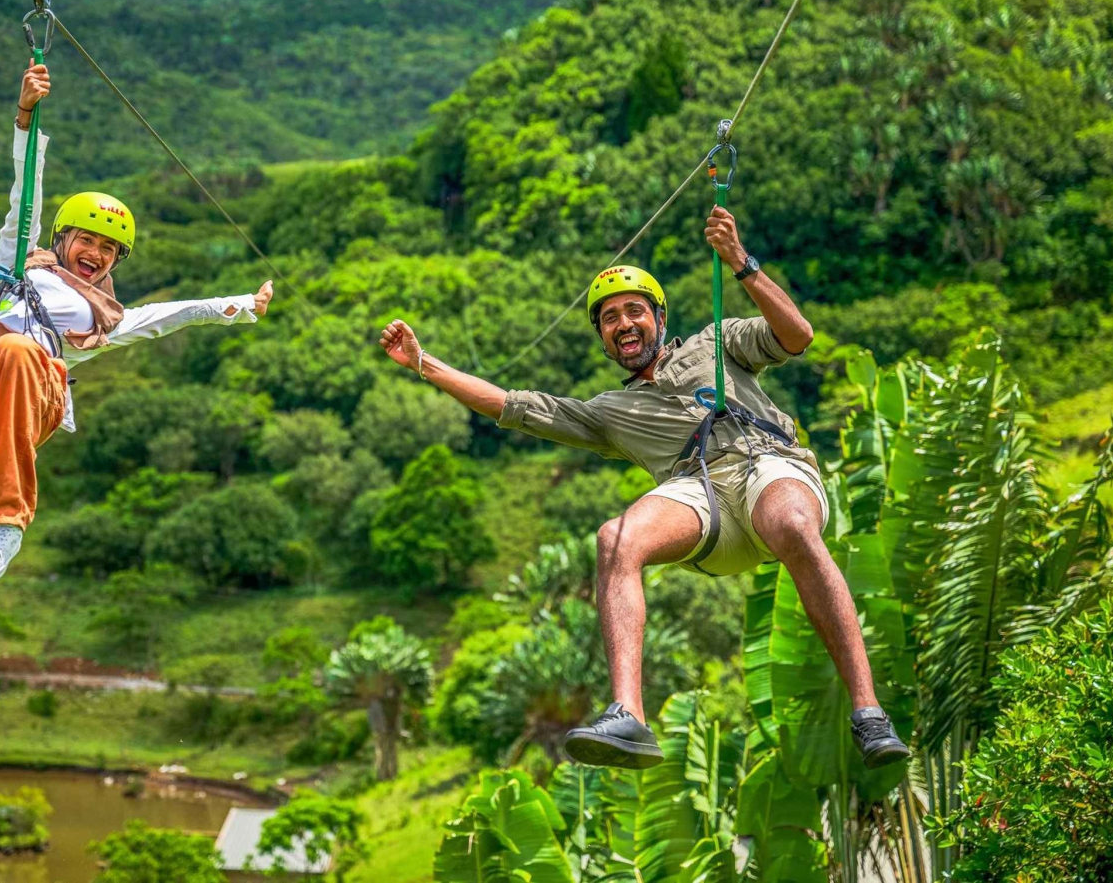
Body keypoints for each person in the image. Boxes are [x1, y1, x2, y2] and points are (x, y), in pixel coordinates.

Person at [377, 205, 910, 770]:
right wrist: (422, 364)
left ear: (659, 316)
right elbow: (514, 407)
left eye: (634, 311)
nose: (623, 323)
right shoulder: (610, 412)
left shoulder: (717, 342)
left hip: (768, 464)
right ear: (604, 339)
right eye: (609, 319)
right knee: (615, 537)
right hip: (701, 499)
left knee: (791, 524)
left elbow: (796, 335)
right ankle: (629, 714)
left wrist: (740, 262)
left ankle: (868, 711)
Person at [0, 61, 273, 584]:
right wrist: (26, 115)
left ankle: (5, 524)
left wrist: (244, 304)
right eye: (87, 240)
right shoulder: (17, 259)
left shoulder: (104, 320)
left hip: (30, 395)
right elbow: (25, 192)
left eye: (109, 249)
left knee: (17, 351)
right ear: (63, 239)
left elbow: (174, 315)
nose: (96, 253)